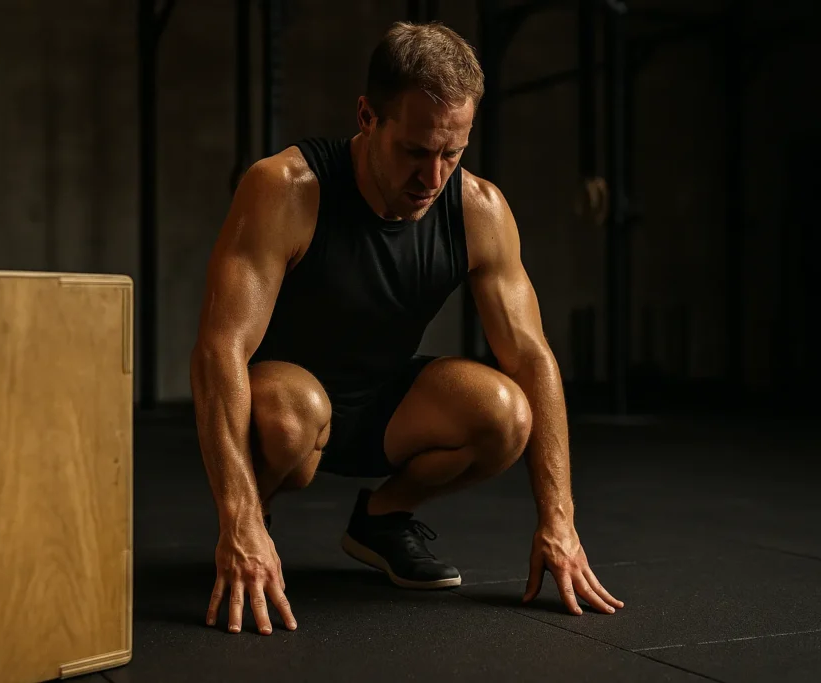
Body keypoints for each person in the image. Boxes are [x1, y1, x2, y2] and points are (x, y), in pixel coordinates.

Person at [189, 20, 623, 636]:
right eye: (416, 151)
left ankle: (384, 516)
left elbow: (531, 357)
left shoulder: (479, 210)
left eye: (453, 152)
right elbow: (218, 350)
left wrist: (559, 520)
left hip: (386, 412)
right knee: (293, 413)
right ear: (367, 117)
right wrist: (236, 516)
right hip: (286, 411)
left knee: (508, 413)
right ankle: (250, 533)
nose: (434, 176)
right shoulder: (286, 188)